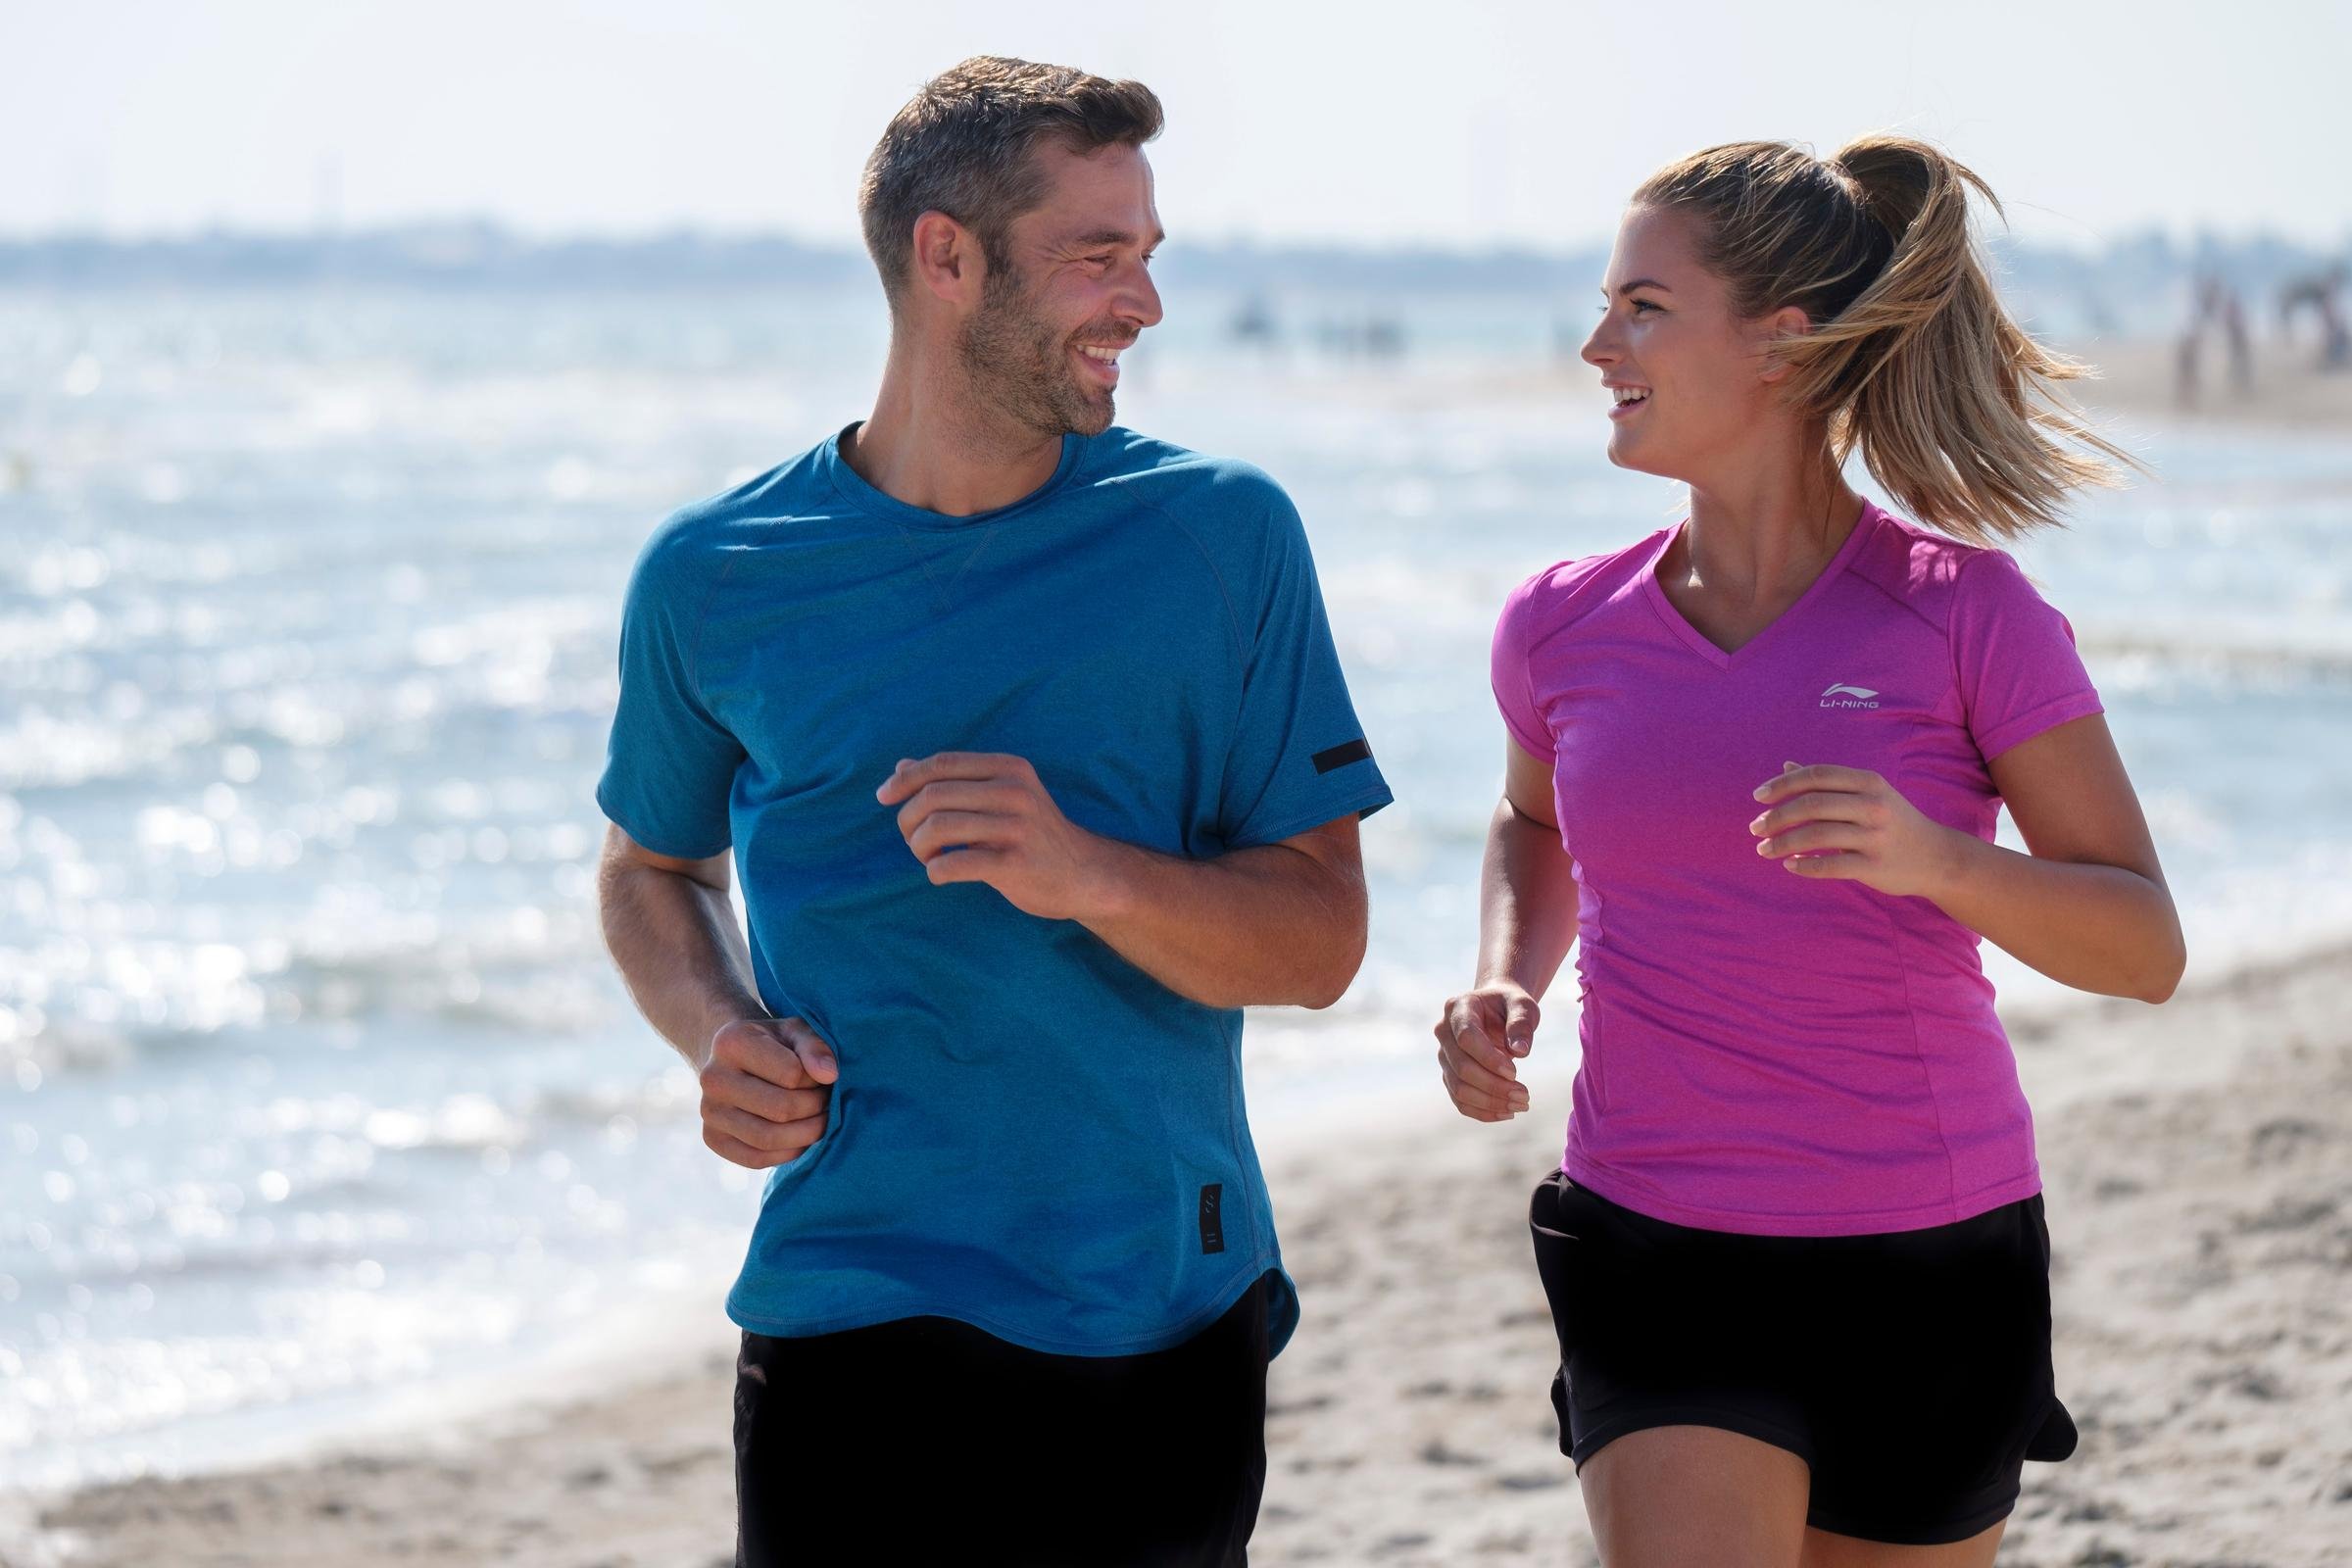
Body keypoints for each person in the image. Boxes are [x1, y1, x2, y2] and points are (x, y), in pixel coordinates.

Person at [594, 56, 1393, 1567]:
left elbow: (1321, 943)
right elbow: (651, 867)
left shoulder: (1222, 537)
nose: (1142, 305)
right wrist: (718, 1030)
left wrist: (1090, 871)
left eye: (1147, 257)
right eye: (1097, 258)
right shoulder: (715, 573)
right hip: (846, 1299)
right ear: (943, 256)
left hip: (1153, 1303)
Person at [1437, 136, 2184, 1566]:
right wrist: (1505, 978)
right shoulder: (1559, 622)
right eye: (1607, 304)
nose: (1598, 342)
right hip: (1652, 1236)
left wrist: (1941, 863)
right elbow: (1537, 826)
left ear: (1779, 344)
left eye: (1643, 306)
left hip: (1928, 1252)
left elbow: (2144, 945)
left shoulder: (1965, 612)